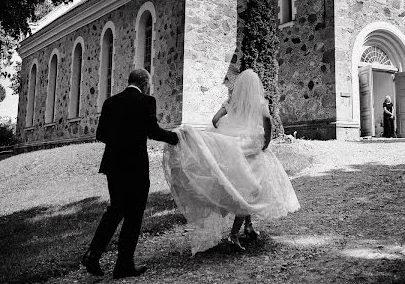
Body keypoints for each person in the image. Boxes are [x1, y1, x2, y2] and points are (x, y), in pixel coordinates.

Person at [163, 69, 300, 254]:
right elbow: (267, 121)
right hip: (252, 149)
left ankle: (248, 226)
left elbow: (214, 119)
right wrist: (266, 141)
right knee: (250, 191)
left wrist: (228, 132)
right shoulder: (260, 103)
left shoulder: (232, 102)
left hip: (234, 149)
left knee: (244, 187)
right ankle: (234, 235)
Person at [82, 69, 179, 279]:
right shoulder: (146, 101)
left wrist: (120, 140)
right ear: (144, 82)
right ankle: (123, 265)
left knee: (116, 209)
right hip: (135, 166)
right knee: (134, 215)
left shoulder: (110, 102)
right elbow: (153, 131)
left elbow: (101, 134)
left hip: (114, 165)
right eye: (149, 84)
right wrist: (175, 137)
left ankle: (92, 254)